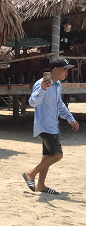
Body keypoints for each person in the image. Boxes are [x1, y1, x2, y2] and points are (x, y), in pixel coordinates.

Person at [23, 56, 79, 195]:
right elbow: (32, 102)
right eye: (65, 70)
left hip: (52, 125)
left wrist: (70, 119)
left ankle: (41, 185)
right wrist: (42, 89)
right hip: (44, 126)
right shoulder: (41, 84)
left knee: (47, 157)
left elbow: (59, 104)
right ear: (55, 69)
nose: (67, 73)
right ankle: (31, 173)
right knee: (58, 155)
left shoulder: (57, 84)